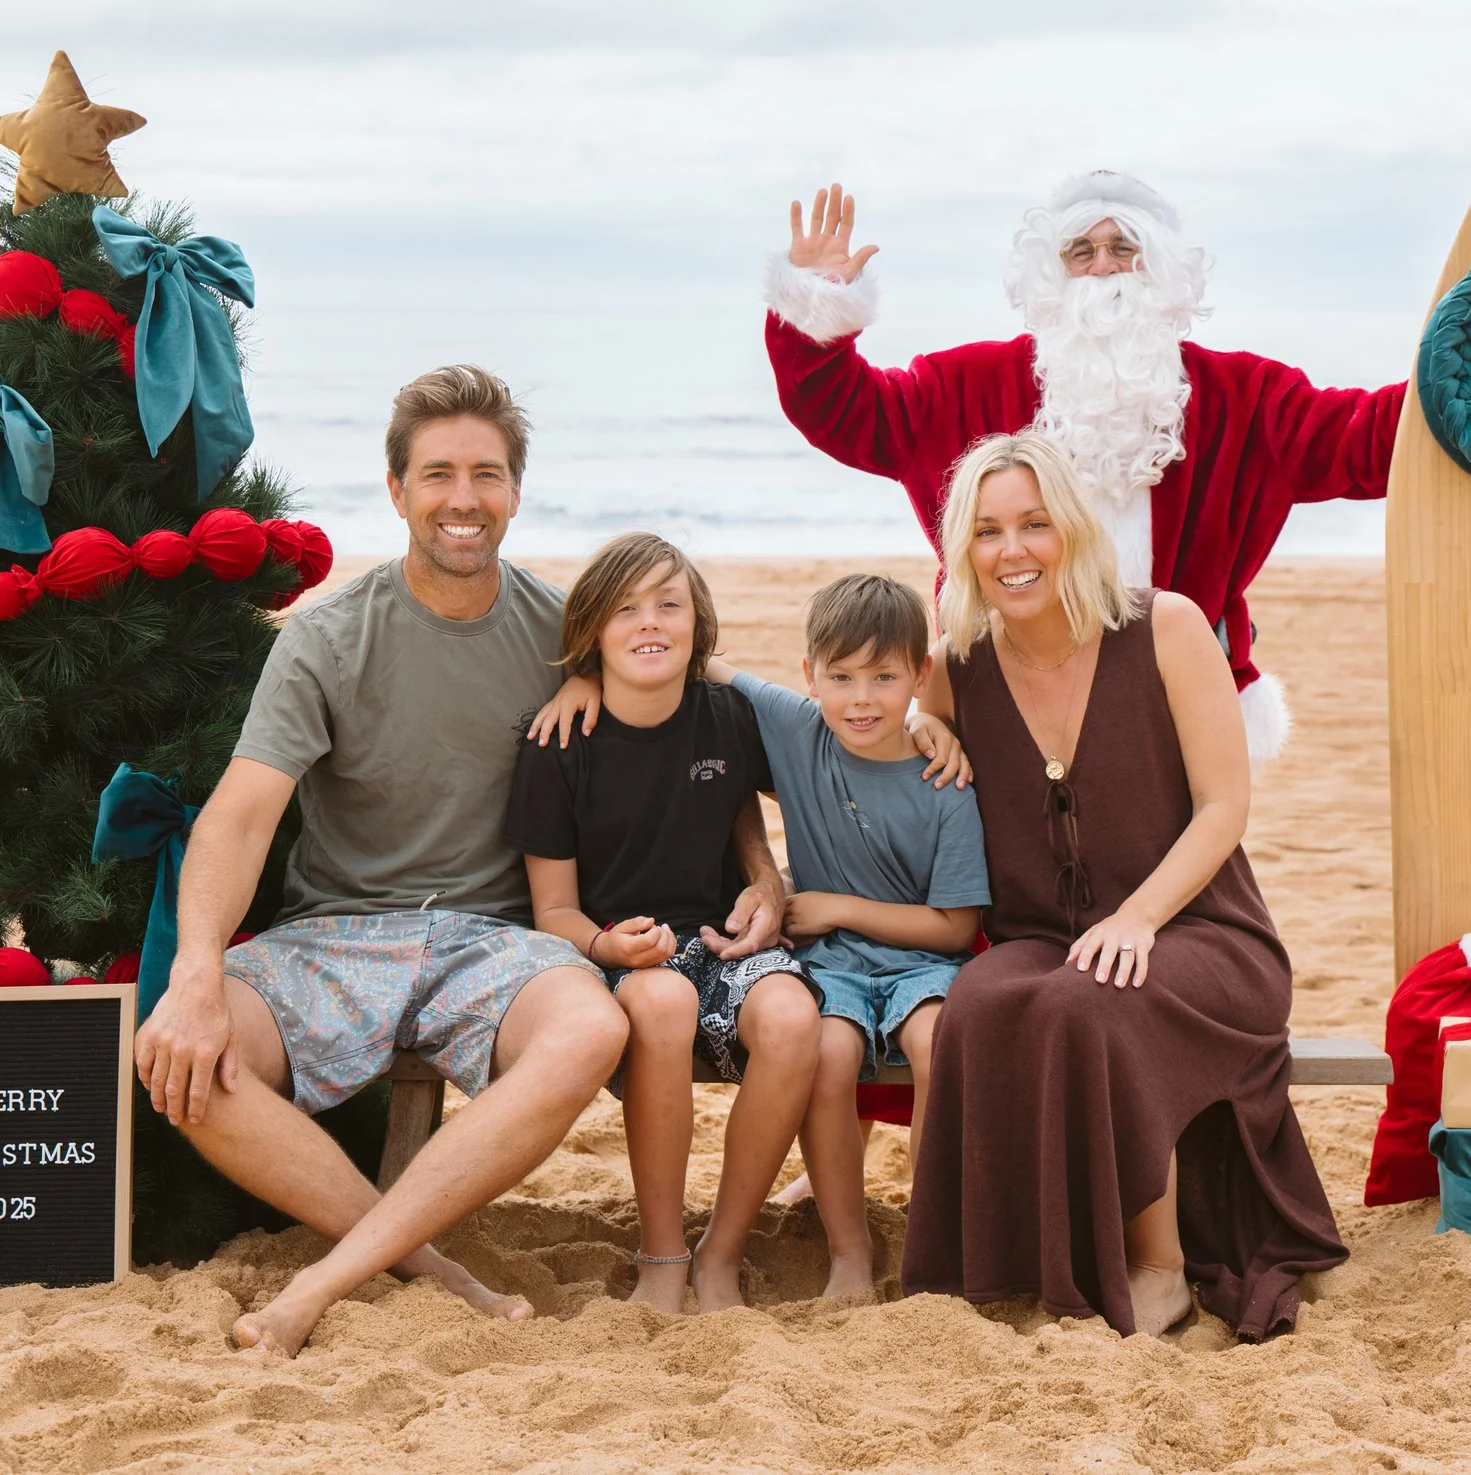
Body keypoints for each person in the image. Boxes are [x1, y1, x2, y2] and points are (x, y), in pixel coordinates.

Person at [133, 365, 629, 1359]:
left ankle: (333, 1271)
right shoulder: (325, 636)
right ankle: (424, 1263)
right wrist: (194, 975)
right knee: (179, 1050)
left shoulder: (565, 635)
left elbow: (705, 720)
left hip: (492, 940)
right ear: (397, 489)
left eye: (486, 473)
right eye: (438, 473)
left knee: (588, 1029)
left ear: (516, 491)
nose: (463, 497)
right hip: (334, 933)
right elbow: (237, 820)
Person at [900, 431, 1347, 1341]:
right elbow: (880, 720)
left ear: (1074, 526)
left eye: (1034, 523)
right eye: (987, 532)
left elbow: (1226, 805)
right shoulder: (959, 664)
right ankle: (1008, 1258)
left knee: (1089, 998)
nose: (1012, 550)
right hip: (1042, 934)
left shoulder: (1167, 625)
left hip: (1203, 931)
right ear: (963, 551)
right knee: (978, 1004)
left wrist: (1140, 918)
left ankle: (1159, 1266)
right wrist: (919, 723)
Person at [764, 172, 1406, 768]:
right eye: (1081, 252)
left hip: (1176, 712)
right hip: (999, 707)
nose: (1103, 267)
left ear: (1161, 269)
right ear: (1052, 273)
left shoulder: (1244, 394)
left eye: (1124, 248)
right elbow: (846, 412)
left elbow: (1368, 442)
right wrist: (816, 312)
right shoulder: (966, 386)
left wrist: (1461, 354)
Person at [505, 532, 823, 1316]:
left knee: (791, 1014)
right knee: (660, 1000)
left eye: (668, 604)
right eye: (625, 609)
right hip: (611, 951)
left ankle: (722, 1248)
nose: (649, 622)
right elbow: (554, 911)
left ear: (697, 623)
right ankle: (661, 1252)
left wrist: (766, 883)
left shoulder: (728, 714)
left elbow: (759, 792)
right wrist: (606, 943)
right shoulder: (555, 745)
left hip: (720, 939)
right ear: (593, 634)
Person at [726, 573, 988, 1300]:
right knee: (829, 1050)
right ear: (808, 675)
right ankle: (848, 1248)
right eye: (839, 676)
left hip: (922, 964)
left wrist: (838, 905)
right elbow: (700, 661)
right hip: (832, 967)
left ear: (919, 675)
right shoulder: (800, 727)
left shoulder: (945, 782)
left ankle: (934, 1239)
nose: (861, 698)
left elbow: (956, 928)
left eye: (883, 675)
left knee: (938, 1042)